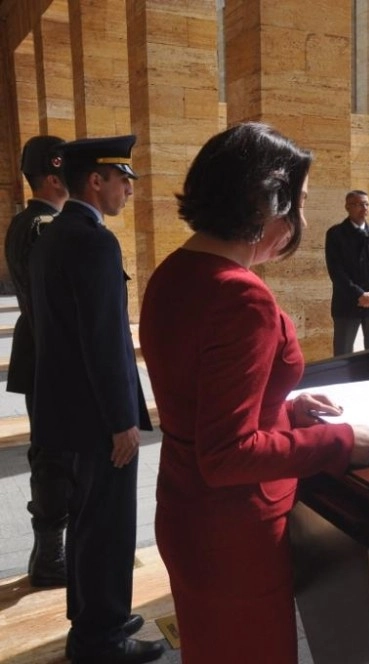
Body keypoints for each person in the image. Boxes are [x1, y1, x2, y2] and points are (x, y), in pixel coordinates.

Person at [139, 123, 369, 664]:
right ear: (266, 202)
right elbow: (227, 454)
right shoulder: (240, 297)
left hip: (186, 510)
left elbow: (200, 395)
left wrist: (286, 409)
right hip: (233, 529)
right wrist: (341, 442)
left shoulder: (174, 272)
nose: (298, 218)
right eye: (296, 202)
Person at [29, 135, 162, 663]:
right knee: (107, 525)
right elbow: (103, 338)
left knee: (87, 518)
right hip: (97, 416)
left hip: (68, 410)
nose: (128, 189)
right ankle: (100, 638)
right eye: (121, 179)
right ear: (96, 181)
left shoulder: (53, 234)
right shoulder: (93, 241)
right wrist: (121, 420)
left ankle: (91, 613)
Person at [4, 135, 71, 588]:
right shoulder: (46, 227)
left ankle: (49, 554)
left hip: (37, 353)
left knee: (49, 452)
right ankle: (49, 558)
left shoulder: (22, 221)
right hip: (52, 359)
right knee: (53, 456)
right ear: (53, 176)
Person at [324, 190, 369, 356]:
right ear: (347, 207)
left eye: (367, 204)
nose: (364, 208)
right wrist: (359, 294)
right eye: (359, 204)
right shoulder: (336, 234)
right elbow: (336, 271)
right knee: (343, 351)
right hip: (347, 303)